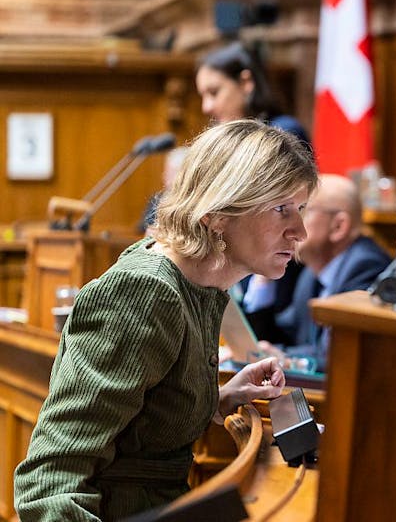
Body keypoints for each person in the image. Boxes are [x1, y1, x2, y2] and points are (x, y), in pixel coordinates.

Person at [14, 119, 318, 521]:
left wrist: (220, 398)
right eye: (281, 209)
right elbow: (47, 484)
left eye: (300, 209)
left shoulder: (202, 286)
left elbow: (141, 425)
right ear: (219, 212)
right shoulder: (143, 292)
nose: (299, 231)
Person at [195, 41, 310, 340]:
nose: (207, 106)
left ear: (246, 82)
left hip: (275, 283)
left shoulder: (283, 134)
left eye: (214, 91)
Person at [262, 173, 390, 370]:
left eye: (303, 211)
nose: (290, 225)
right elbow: (285, 334)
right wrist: (263, 283)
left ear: (339, 226)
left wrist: (287, 360)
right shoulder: (312, 273)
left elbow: (342, 356)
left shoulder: (367, 267)